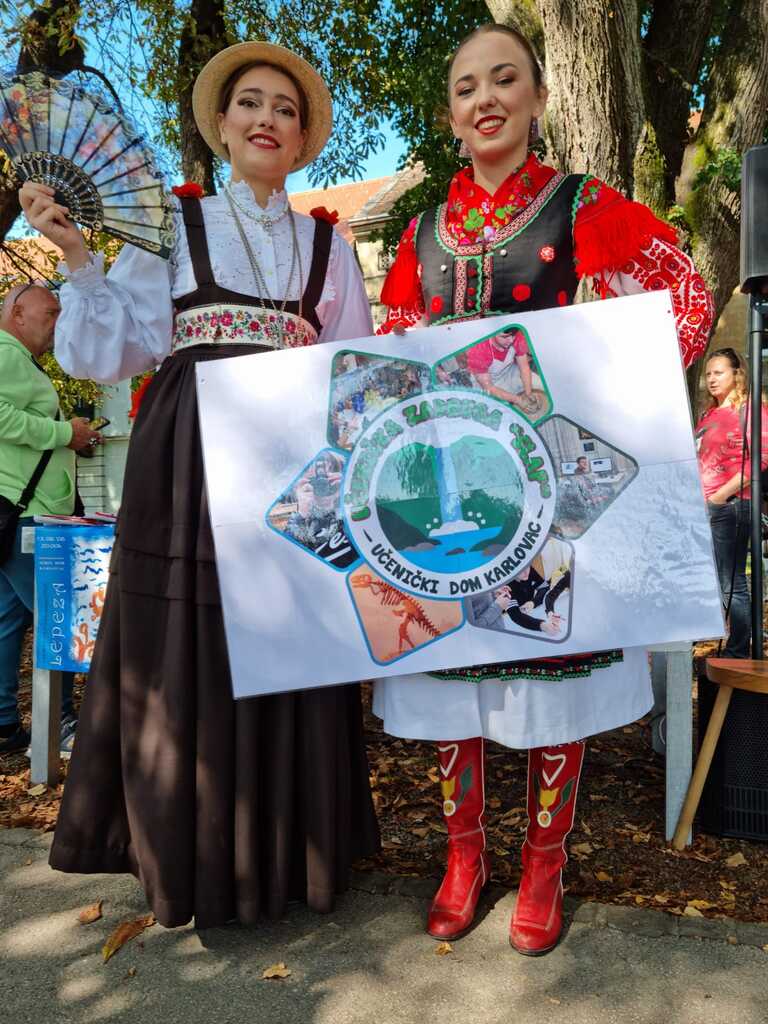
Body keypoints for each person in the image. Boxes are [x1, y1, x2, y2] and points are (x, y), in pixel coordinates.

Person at [20, 41, 379, 928]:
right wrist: (78, 259)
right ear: (221, 124)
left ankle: (287, 855)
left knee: (289, 640)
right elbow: (109, 352)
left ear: (302, 138)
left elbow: (357, 372)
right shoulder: (175, 228)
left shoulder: (329, 247)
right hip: (188, 458)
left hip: (294, 461)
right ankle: (191, 855)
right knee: (192, 640)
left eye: (285, 109)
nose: (266, 119)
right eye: (250, 103)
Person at [373, 22, 714, 955]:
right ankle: (463, 857)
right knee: (450, 668)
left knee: (550, 666)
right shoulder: (420, 235)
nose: (485, 99)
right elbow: (392, 359)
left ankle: (543, 864)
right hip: (447, 493)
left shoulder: (581, 204)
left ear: (537, 98)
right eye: (466, 87)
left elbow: (685, 299)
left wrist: (616, 401)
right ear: (451, 115)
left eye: (504, 80)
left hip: (546, 490)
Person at [0, 282, 101, 756]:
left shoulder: (18, 359)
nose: (58, 322)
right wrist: (65, 432)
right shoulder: (6, 354)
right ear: (17, 313)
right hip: (27, 515)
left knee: (9, 619)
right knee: (56, 616)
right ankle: (58, 725)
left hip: (17, 512)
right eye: (51, 312)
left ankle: (4, 723)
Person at [695, 347, 768, 658]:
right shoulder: (708, 414)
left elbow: (760, 459)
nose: (712, 379)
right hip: (703, 507)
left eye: (719, 372)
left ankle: (738, 650)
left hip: (730, 505)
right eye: (708, 374)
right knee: (709, 578)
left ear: (736, 374)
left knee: (730, 580)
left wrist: (720, 496)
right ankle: (717, 641)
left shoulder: (751, 411)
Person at [466, 326, 542, 414]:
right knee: (498, 413)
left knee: (539, 385)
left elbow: (524, 368)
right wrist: (518, 400)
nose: (511, 340)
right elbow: (489, 387)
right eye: (505, 336)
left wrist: (529, 392)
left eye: (512, 335)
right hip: (487, 383)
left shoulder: (516, 335)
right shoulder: (478, 350)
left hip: (508, 371)